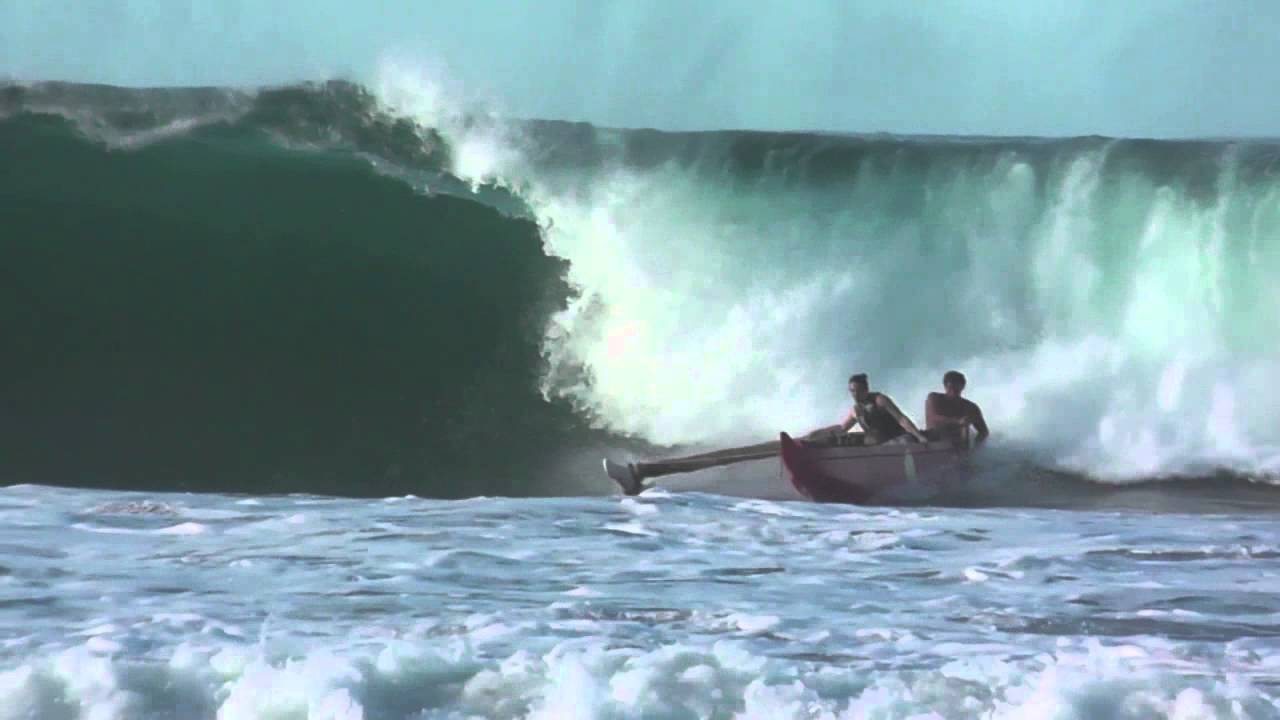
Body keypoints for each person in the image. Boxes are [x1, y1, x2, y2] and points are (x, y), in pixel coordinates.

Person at [808, 373, 928, 445]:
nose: (855, 394)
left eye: (858, 391)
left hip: (897, 438)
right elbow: (842, 428)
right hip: (876, 442)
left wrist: (919, 436)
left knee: (869, 439)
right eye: (852, 391)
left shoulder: (880, 400)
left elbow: (901, 419)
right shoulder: (856, 410)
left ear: (866, 389)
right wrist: (818, 434)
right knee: (844, 438)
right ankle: (810, 442)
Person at [925, 370, 989, 445]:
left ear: (962, 387)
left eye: (956, 389)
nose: (953, 391)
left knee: (966, 421)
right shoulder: (934, 398)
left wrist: (975, 447)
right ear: (945, 386)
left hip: (957, 446)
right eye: (950, 388)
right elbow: (933, 417)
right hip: (932, 441)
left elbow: (984, 432)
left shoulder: (971, 407)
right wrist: (957, 421)